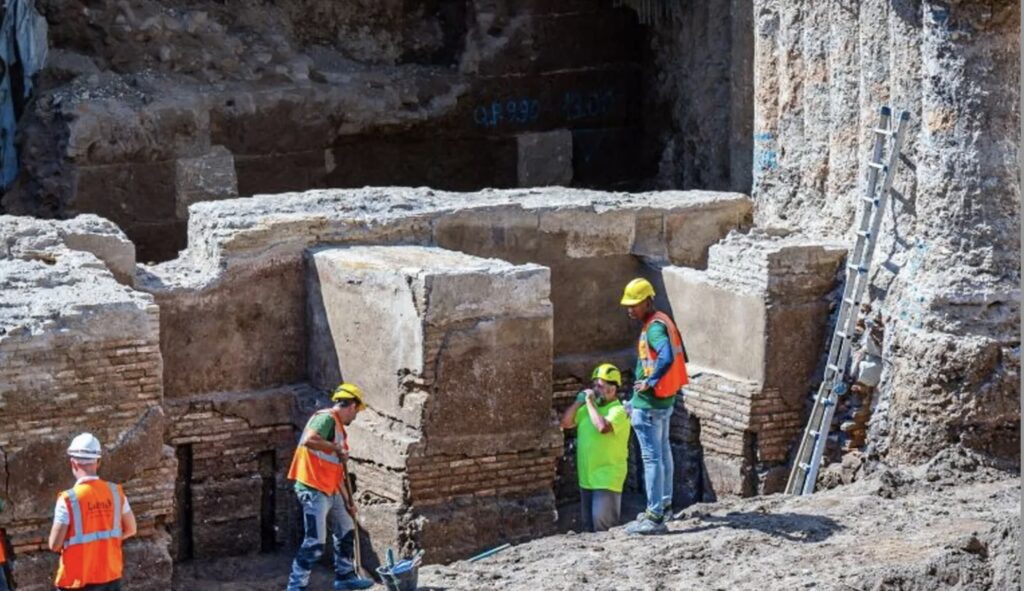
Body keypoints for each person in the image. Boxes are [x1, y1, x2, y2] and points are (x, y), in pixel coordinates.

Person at [286, 383, 373, 591]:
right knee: (315, 543)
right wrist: (336, 448)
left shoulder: (339, 431)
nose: (356, 416)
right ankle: (296, 586)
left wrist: (348, 502)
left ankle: (345, 577)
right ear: (351, 405)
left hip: (331, 489)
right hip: (313, 488)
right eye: (357, 412)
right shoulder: (325, 418)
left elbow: (337, 472)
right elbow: (308, 440)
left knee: (346, 530)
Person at [619, 278, 689, 535]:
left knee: (652, 458)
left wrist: (650, 381)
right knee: (662, 453)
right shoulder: (662, 319)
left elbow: (667, 355)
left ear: (648, 300)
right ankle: (665, 505)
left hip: (650, 404)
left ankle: (654, 516)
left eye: (635, 304)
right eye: (629, 305)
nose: (631, 309)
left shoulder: (654, 328)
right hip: (664, 400)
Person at [49, 433, 137, 591]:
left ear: (73, 463)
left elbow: (55, 544)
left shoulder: (68, 499)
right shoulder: (116, 492)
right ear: (98, 462)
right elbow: (131, 529)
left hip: (77, 580)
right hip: (110, 577)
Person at [560, 363, 631, 532]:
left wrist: (590, 403)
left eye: (599, 386)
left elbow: (602, 427)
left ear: (612, 389)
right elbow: (566, 422)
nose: (595, 390)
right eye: (594, 386)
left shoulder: (619, 411)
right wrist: (579, 403)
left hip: (607, 478)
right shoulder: (588, 409)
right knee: (588, 529)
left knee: (603, 529)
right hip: (587, 478)